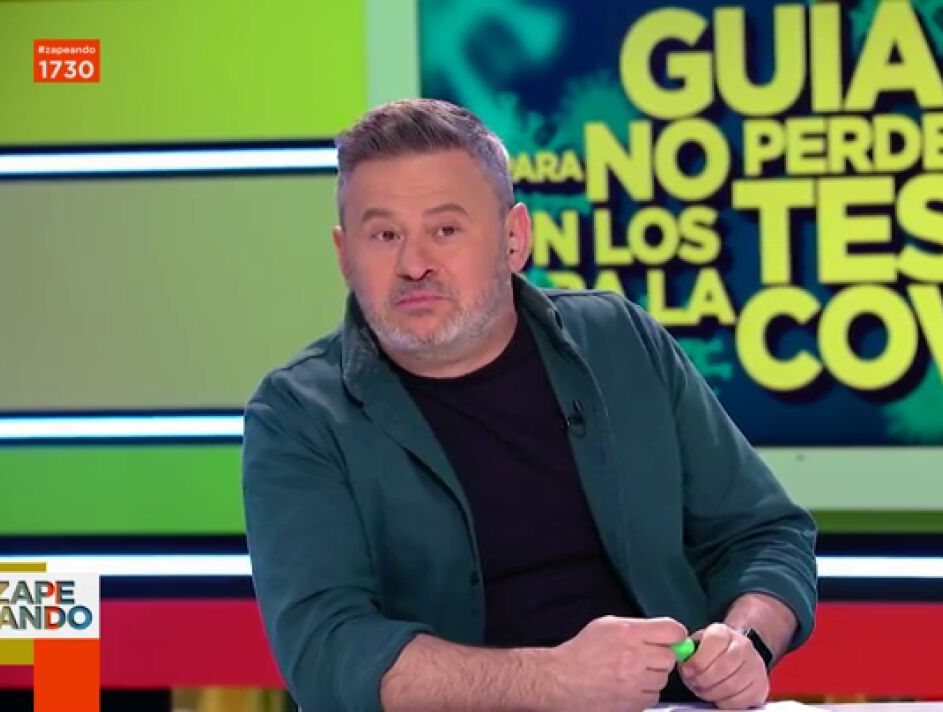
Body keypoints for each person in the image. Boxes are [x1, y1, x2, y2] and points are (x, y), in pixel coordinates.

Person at [242, 98, 818, 712]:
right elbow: (327, 652)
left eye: (445, 230)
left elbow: (764, 534)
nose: (414, 265)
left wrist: (746, 643)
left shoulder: (619, 341)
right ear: (344, 254)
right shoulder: (298, 415)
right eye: (384, 235)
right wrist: (552, 681)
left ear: (514, 238)